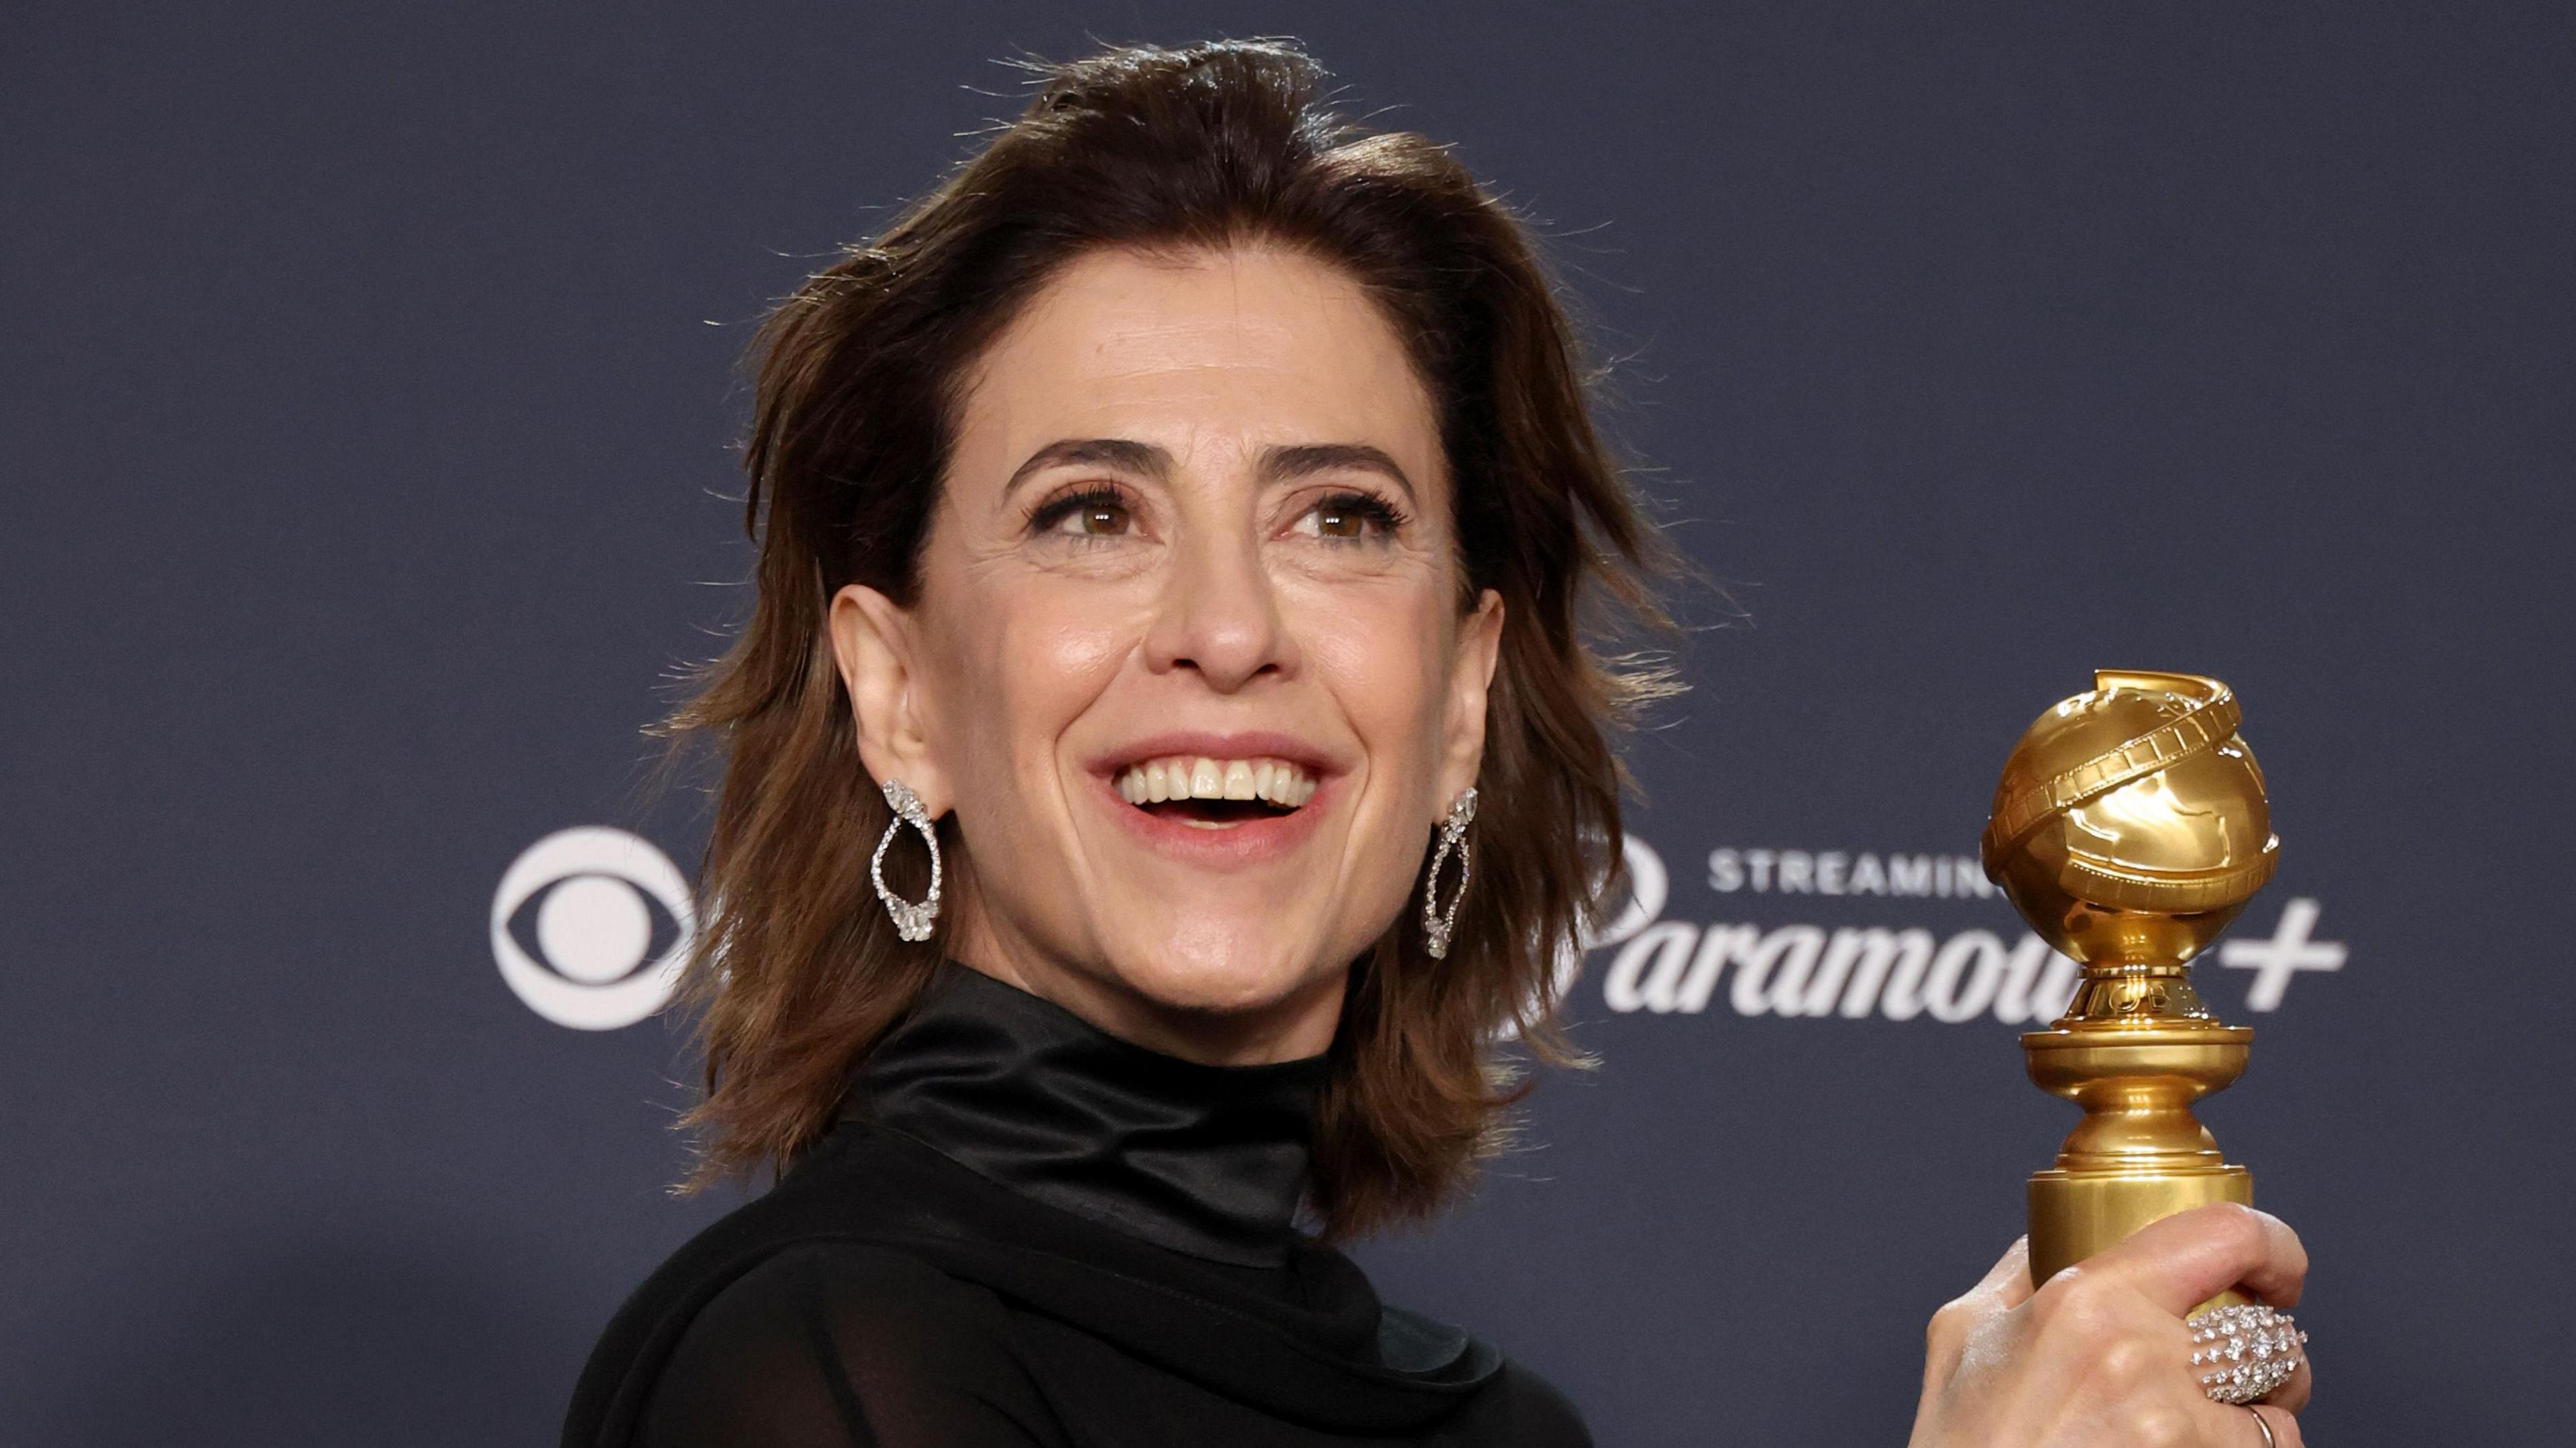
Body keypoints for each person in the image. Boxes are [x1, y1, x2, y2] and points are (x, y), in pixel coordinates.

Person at [563, 39, 2312, 1448]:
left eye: (1339, 516)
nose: (1228, 629)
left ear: (1462, 690)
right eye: (1093, 512)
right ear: (903, 696)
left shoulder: (1502, 1431)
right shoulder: (815, 1368)